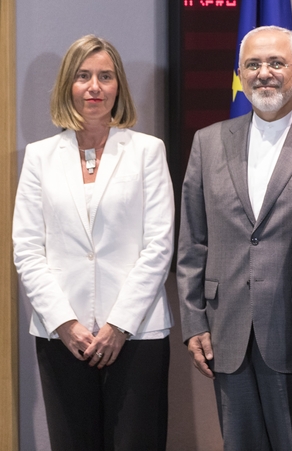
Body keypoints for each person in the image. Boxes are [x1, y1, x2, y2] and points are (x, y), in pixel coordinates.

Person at [177, 26, 292, 451]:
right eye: (253, 64)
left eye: (276, 63)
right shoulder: (207, 141)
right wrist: (194, 319)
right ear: (239, 74)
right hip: (226, 330)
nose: (263, 73)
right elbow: (192, 240)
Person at [12, 35, 174, 451]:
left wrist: (119, 325)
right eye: (83, 76)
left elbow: (159, 245)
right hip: (62, 336)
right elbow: (27, 249)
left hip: (137, 334)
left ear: (118, 86)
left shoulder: (147, 151)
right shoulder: (39, 156)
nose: (94, 87)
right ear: (69, 84)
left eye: (105, 76)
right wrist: (65, 323)